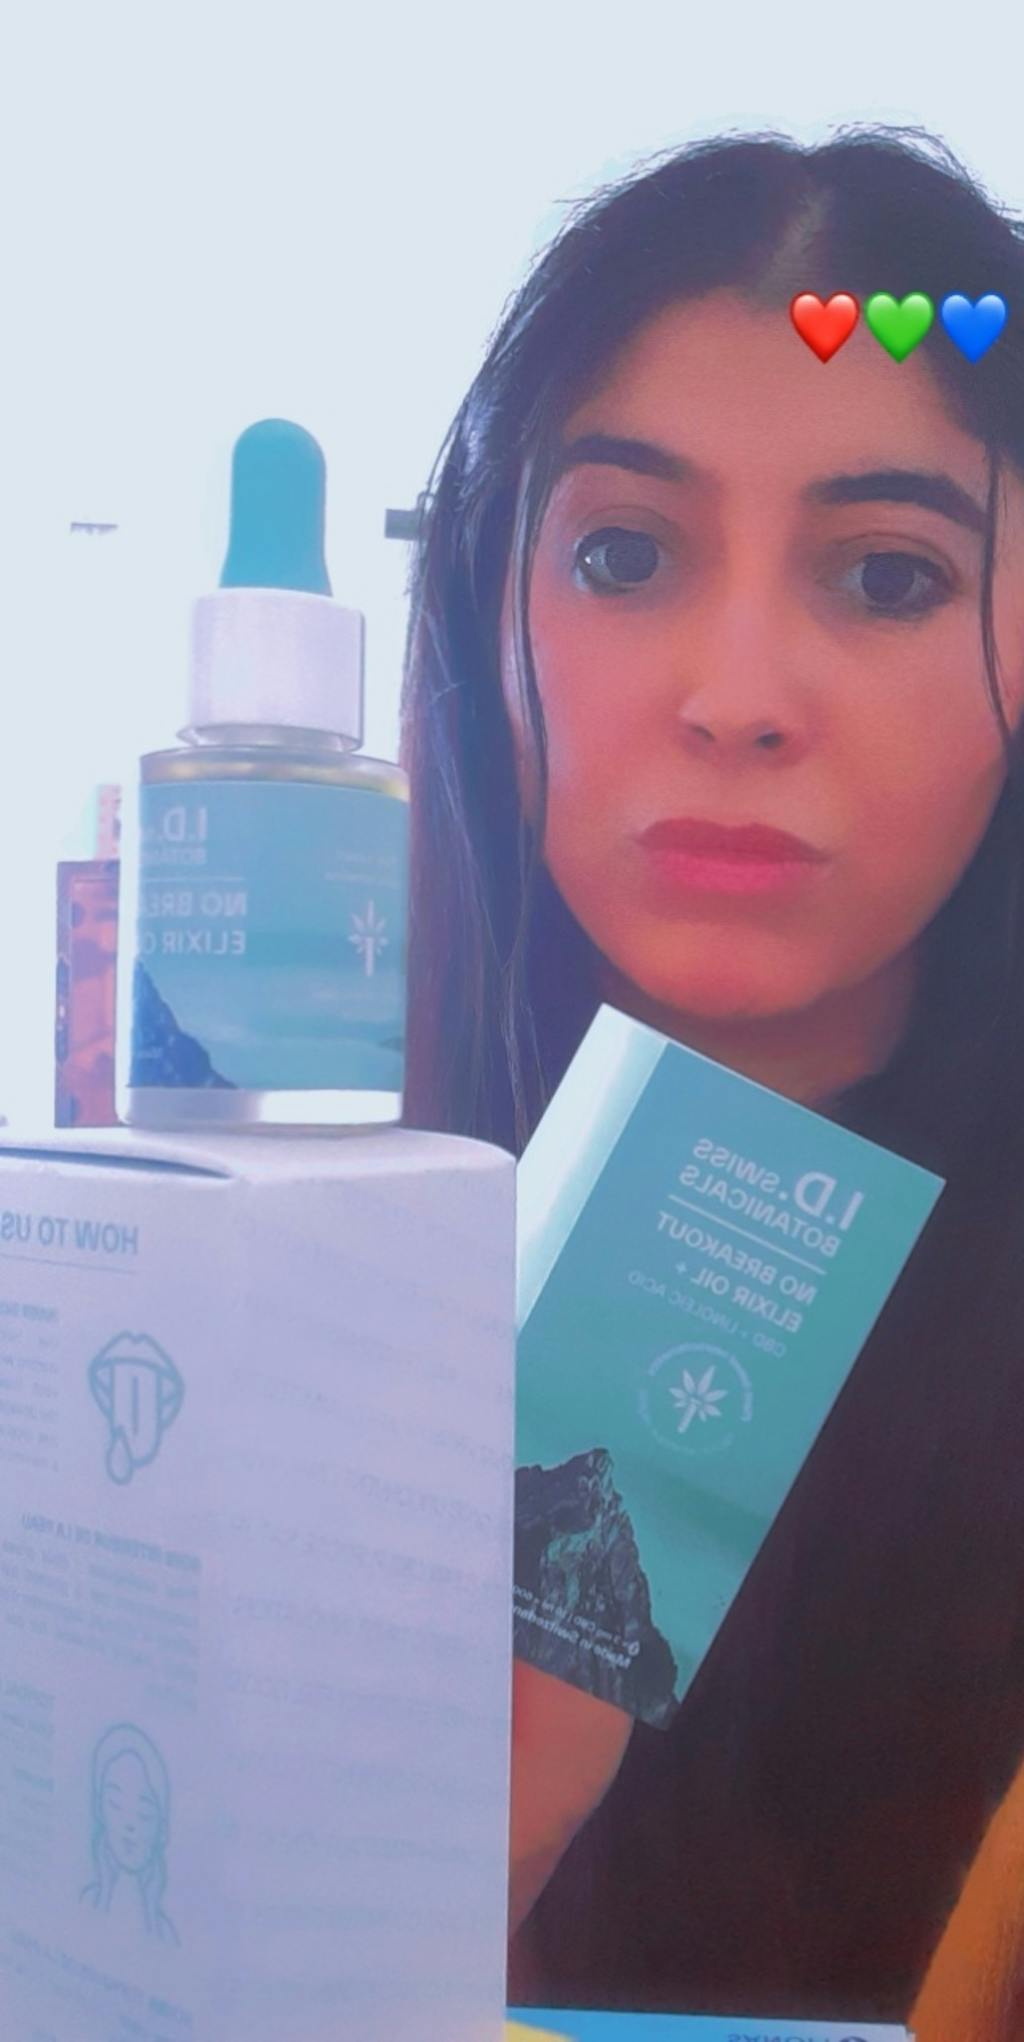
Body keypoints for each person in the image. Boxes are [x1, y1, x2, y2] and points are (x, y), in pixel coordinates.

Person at [399, 128, 1024, 2024]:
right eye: (621, 552)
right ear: (484, 610)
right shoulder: (309, 1260)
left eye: (890, 575)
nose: (737, 693)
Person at [81, 1723, 180, 1946]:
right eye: (115, 1804)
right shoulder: (85, 1902)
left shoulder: (165, 1934)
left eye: (144, 1813)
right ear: (99, 1809)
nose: (129, 1825)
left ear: (162, 1830)